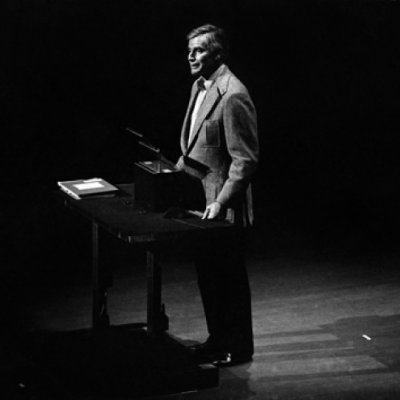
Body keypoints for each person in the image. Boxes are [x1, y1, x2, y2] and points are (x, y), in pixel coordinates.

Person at [176, 24, 259, 367]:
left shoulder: (233, 94)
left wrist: (221, 201)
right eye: (190, 50)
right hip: (199, 206)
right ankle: (218, 340)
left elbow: (245, 159)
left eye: (199, 50)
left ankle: (238, 348)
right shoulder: (200, 87)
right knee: (209, 277)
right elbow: (197, 148)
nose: (191, 56)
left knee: (229, 281)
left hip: (222, 208)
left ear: (219, 54)